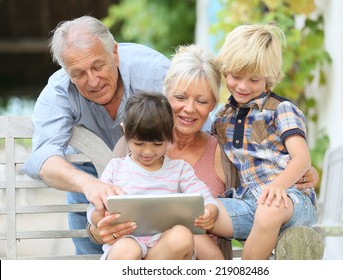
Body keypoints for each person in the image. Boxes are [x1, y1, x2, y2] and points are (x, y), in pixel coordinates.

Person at [88, 44, 318, 259]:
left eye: (201, 101)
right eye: (180, 97)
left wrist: (304, 172)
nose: (189, 108)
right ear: (166, 93)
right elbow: (100, 211)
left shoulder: (225, 146)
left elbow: (259, 182)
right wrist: (100, 230)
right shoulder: (133, 144)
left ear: (213, 105)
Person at [21, 15, 170, 255]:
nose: (92, 81)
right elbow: (43, 158)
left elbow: (195, 131)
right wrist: (88, 185)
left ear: (115, 53)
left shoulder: (155, 72)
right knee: (90, 259)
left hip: (158, 177)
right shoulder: (59, 91)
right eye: (78, 73)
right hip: (89, 179)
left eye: (98, 66)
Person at [209, 22, 318, 260]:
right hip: (249, 204)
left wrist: (279, 185)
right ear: (225, 70)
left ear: (269, 78)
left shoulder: (281, 110)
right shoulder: (222, 118)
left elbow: (302, 158)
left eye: (254, 80)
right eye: (235, 76)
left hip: (290, 202)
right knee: (200, 212)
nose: (243, 86)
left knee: (269, 210)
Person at [87, 92, 219, 260]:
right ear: (125, 130)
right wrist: (102, 217)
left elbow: (206, 198)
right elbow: (92, 209)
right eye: (139, 144)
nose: (148, 152)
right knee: (128, 249)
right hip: (126, 244)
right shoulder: (116, 167)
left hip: (165, 249)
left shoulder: (179, 170)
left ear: (169, 133)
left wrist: (209, 213)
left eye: (157, 144)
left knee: (182, 235)